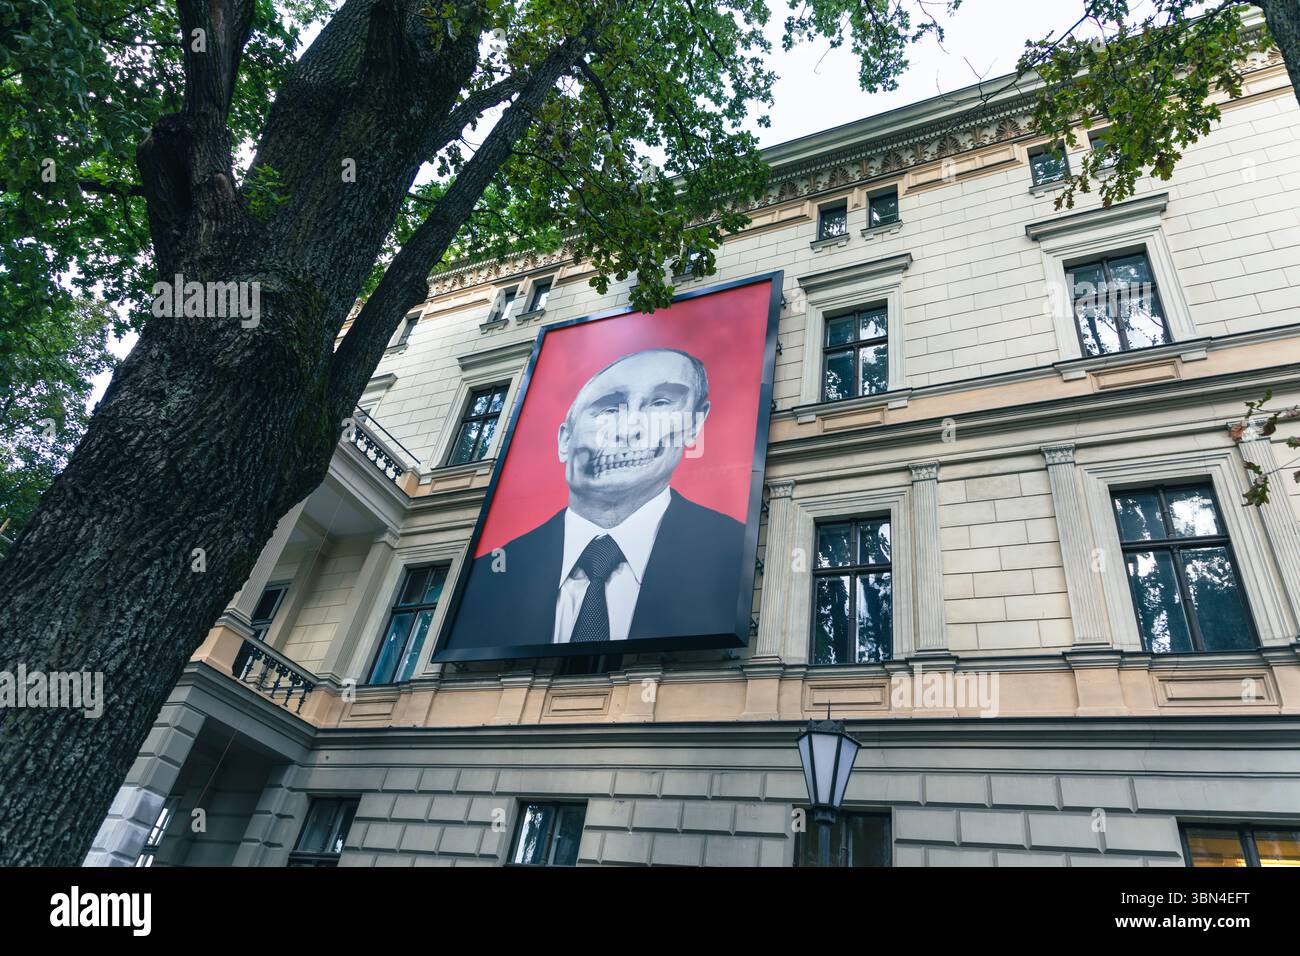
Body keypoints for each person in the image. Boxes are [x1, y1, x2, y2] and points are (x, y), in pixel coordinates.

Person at [451, 347, 745, 650]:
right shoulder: (491, 574)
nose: (629, 429)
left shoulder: (733, 548)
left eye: (660, 403)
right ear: (565, 440)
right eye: (609, 410)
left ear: (694, 424)